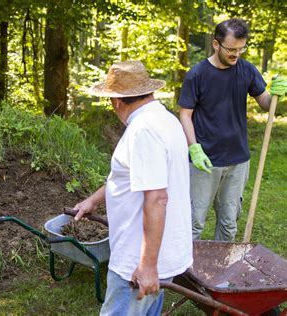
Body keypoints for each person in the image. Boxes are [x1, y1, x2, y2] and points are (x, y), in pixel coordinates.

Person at [73, 61, 193, 315]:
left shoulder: (143, 131)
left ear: (116, 100)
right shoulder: (165, 119)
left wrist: (147, 266)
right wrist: (93, 201)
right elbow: (131, 177)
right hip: (156, 253)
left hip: (136, 263)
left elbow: (158, 198)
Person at [178, 18, 287, 241]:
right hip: (204, 161)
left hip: (238, 160)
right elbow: (185, 115)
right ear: (216, 44)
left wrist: (277, 95)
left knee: (228, 225)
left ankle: (220, 275)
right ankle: (183, 275)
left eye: (241, 49)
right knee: (193, 224)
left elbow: (265, 104)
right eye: (231, 49)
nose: (236, 54)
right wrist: (194, 148)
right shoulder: (197, 74)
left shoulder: (246, 70)